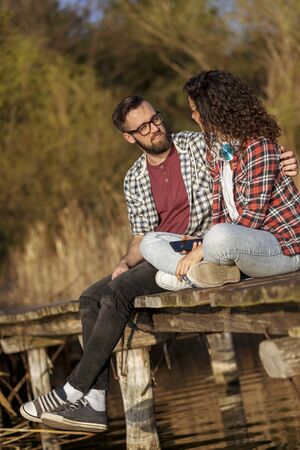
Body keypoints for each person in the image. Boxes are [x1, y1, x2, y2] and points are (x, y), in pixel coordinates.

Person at [19, 95, 297, 432]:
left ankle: (75, 388)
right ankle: (93, 400)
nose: (155, 129)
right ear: (129, 137)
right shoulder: (134, 178)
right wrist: (123, 262)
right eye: (143, 127)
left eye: (156, 119)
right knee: (92, 296)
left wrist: (285, 161)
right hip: (163, 251)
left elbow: (245, 158)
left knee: (119, 292)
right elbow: (141, 239)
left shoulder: (197, 144)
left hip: (204, 246)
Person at [140, 71, 300, 290]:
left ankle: (193, 276)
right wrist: (200, 246)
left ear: (213, 111)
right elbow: (219, 212)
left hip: (280, 247)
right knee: (150, 242)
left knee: (217, 236)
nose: (193, 117)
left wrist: (203, 248)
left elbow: (252, 218)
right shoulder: (217, 151)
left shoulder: (258, 146)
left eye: (196, 111)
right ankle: (201, 274)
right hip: (237, 245)